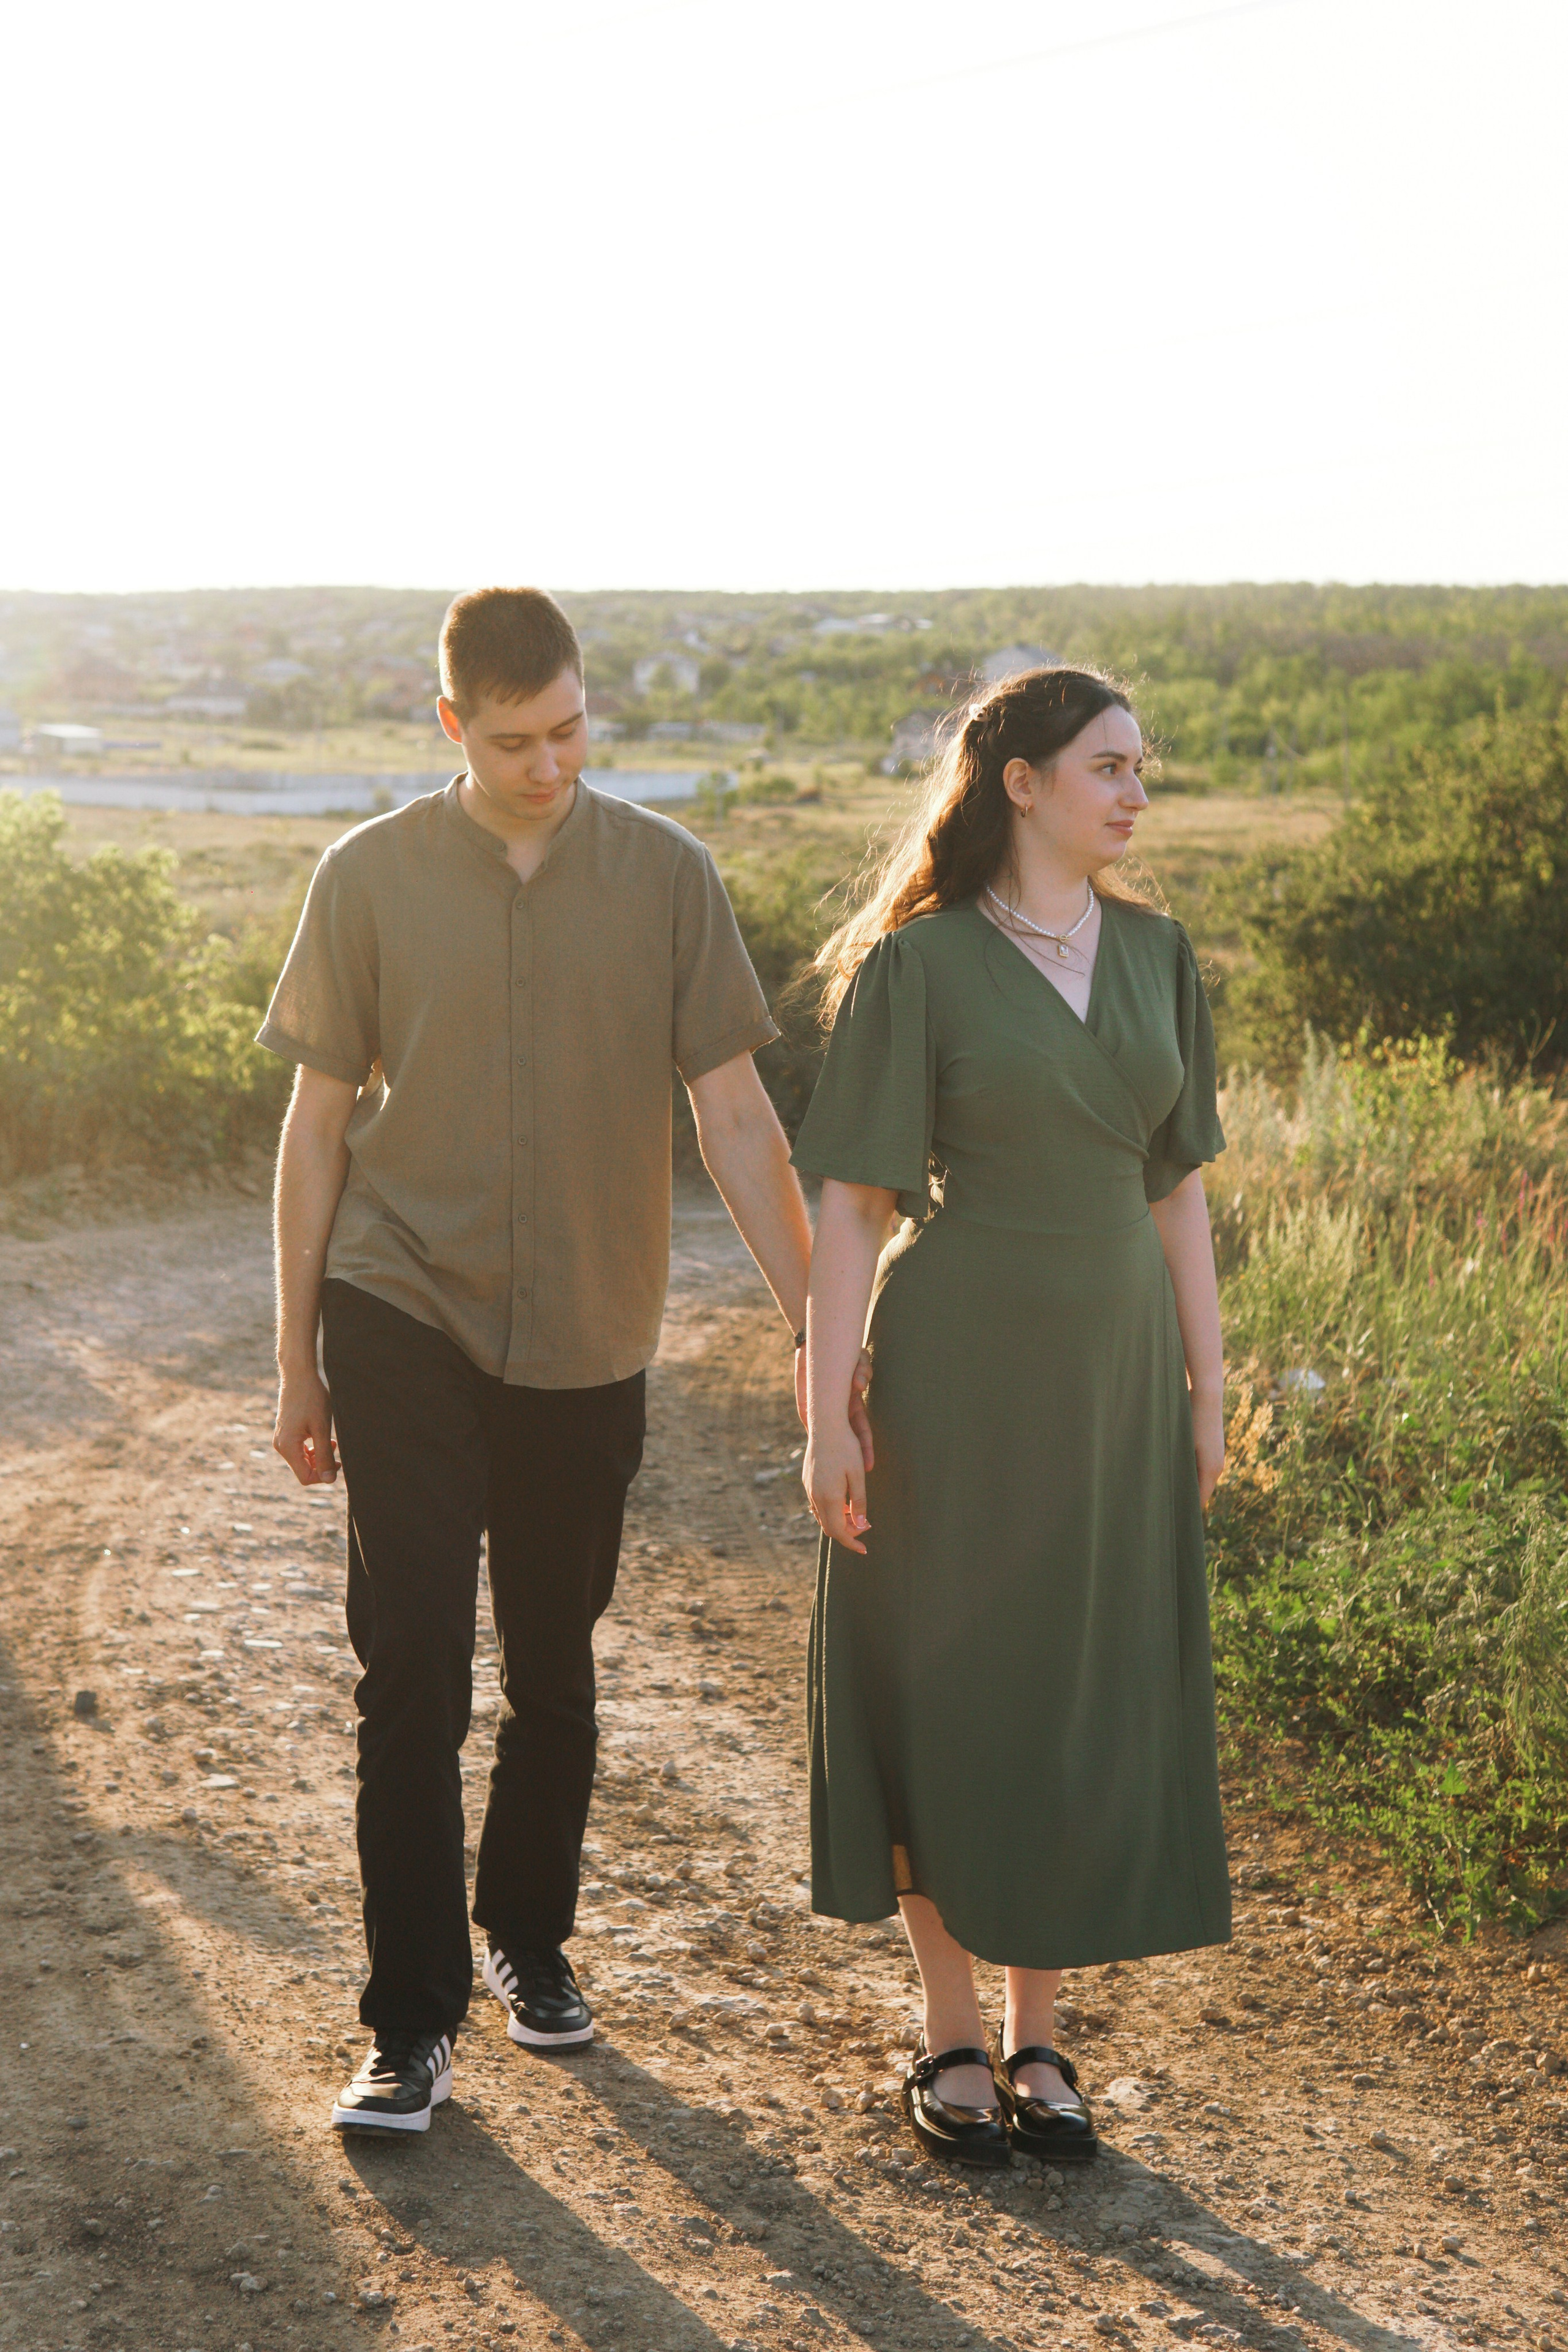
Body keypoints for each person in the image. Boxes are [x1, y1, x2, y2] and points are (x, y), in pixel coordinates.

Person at [259, 586, 825, 2135]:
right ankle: (409, 2024)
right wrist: (296, 1360)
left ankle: (528, 1940)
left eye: (571, 729)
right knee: (414, 1673)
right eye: (514, 740)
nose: (548, 762)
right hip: (402, 1303)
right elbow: (316, 1131)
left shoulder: (666, 876)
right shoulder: (363, 877)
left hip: (587, 1324)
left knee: (556, 1671)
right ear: (450, 723)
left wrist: (813, 1328)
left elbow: (736, 1121)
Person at [792, 665, 1231, 2169]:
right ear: (1021, 783)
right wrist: (822, 1410)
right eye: (1106, 765)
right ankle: (950, 2035)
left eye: (1141, 767)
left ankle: (1041, 2034)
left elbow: (1174, 1185)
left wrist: (1206, 1376)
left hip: (1111, 1366)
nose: (1134, 791)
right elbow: (850, 1207)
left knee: (1069, 1679)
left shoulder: (1163, 956)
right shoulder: (915, 969)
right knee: (947, 1673)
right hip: (955, 1365)